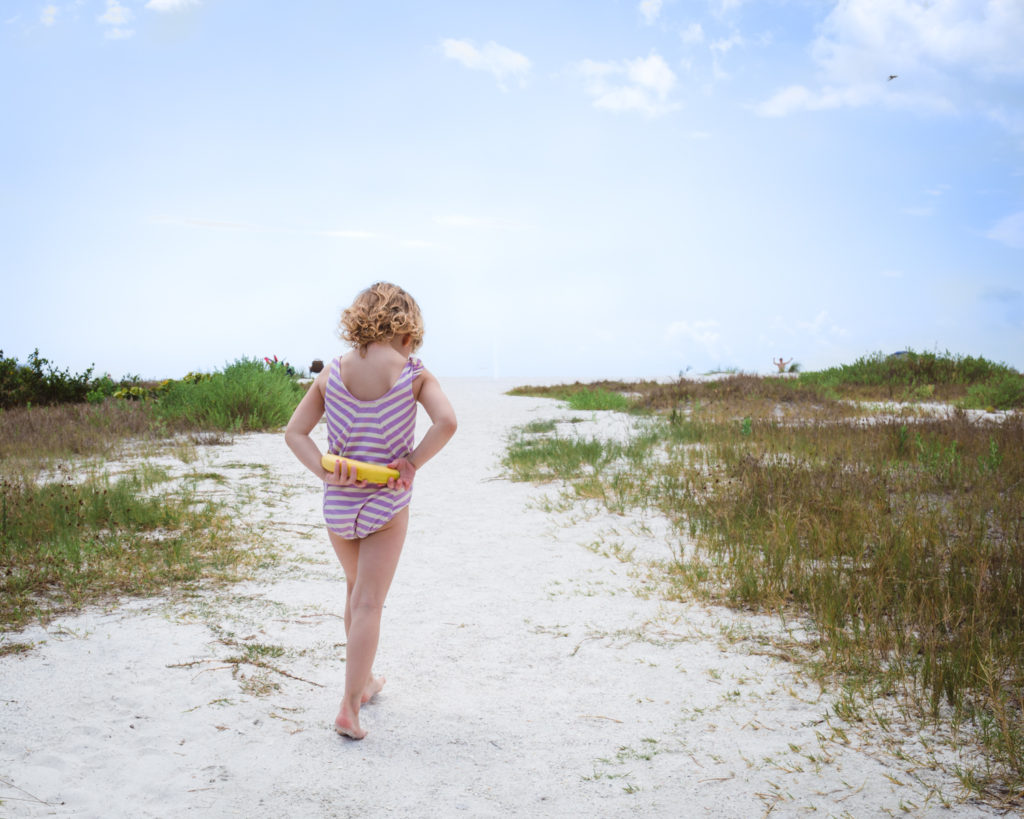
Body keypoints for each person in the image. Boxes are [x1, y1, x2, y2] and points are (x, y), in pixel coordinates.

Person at [285, 282, 457, 739]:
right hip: (386, 501)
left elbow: (295, 434)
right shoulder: (414, 372)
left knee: (354, 592)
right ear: (407, 330)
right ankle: (348, 707)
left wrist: (325, 473)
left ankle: (364, 684)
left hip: (339, 505)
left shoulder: (331, 373)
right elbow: (448, 422)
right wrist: (412, 462)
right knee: (368, 603)